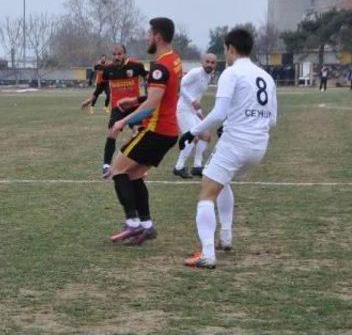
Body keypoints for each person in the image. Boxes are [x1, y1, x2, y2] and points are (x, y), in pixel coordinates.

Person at [179, 28, 277, 269]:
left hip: (236, 143)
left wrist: (191, 132)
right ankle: (226, 237)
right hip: (258, 146)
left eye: (224, 50)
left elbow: (219, 113)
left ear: (230, 48)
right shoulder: (266, 76)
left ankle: (208, 255)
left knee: (206, 193)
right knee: (223, 182)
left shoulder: (231, 73)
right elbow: (272, 119)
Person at [107, 18, 181, 245]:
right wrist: (136, 99)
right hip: (169, 132)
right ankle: (147, 226)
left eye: (149, 34)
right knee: (134, 175)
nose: (147, 37)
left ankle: (132, 223)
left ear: (157, 36)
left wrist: (122, 122)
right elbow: (162, 95)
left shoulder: (160, 66)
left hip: (156, 130)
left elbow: (152, 105)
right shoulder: (175, 59)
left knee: (117, 170)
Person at [81, 45, 148, 178]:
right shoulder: (108, 69)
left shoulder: (136, 66)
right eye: (114, 54)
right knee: (112, 133)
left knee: (138, 133)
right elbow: (101, 86)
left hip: (134, 106)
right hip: (117, 108)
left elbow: (149, 77)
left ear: (124, 54)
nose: (117, 57)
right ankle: (106, 166)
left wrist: (149, 94)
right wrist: (91, 99)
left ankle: (138, 166)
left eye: (119, 54)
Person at [172, 54, 217, 178]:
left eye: (212, 63)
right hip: (183, 110)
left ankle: (197, 166)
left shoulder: (208, 76)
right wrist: (192, 100)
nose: (209, 64)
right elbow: (180, 86)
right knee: (192, 138)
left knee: (206, 136)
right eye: (207, 61)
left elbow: (197, 95)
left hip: (193, 111)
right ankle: (178, 167)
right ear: (202, 62)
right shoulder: (196, 72)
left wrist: (199, 112)